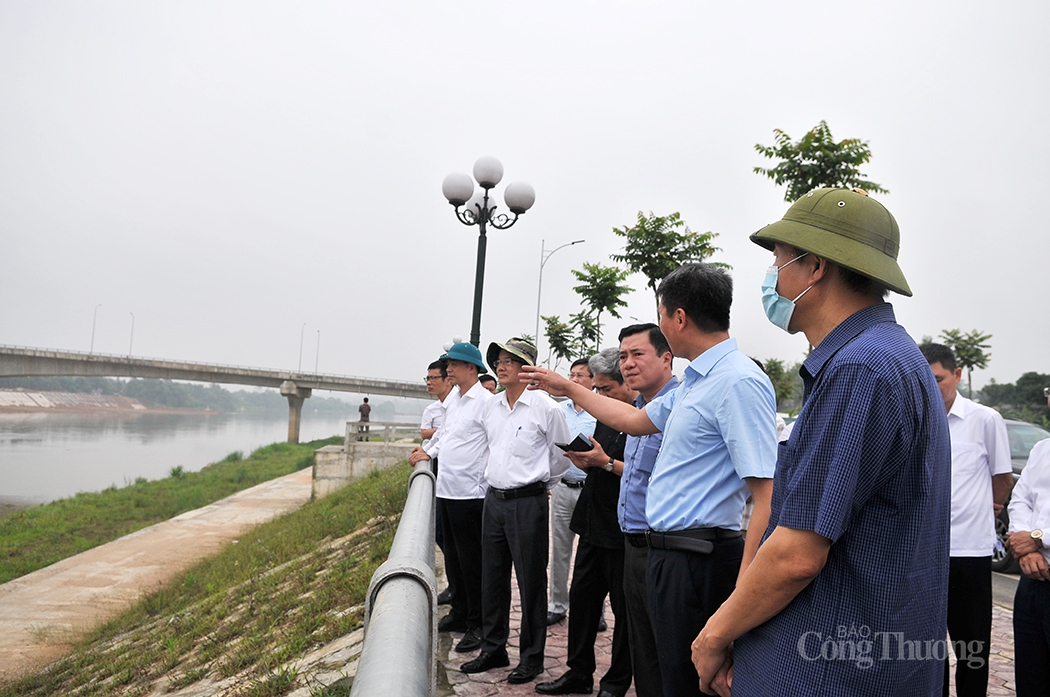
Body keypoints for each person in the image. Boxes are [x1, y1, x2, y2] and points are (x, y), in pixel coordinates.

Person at [692, 188, 951, 696]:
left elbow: (797, 555)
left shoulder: (861, 369)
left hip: (825, 667)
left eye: (778, 260)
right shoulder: (889, 358)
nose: (772, 275)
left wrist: (714, 636)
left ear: (814, 268)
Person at [522, 265, 778, 697]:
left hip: (699, 557)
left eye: (660, 316)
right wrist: (568, 388)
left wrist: (741, 597)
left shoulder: (738, 381)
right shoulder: (693, 384)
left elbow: (766, 496)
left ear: (678, 318)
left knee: (691, 681)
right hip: (666, 556)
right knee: (662, 676)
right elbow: (635, 420)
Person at [461, 338, 571, 684]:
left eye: (511, 360)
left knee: (530, 582)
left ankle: (532, 657)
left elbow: (561, 458)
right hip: (493, 501)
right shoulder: (490, 407)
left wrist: (538, 487)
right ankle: (493, 649)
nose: (501, 365)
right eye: (499, 360)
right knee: (491, 579)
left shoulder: (545, 407)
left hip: (528, 503)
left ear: (528, 369)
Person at [537, 348, 635, 697]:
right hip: (593, 519)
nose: (600, 396)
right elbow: (599, 457)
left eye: (606, 389)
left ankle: (615, 684)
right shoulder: (606, 414)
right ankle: (578, 672)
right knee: (582, 601)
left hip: (625, 528)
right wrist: (587, 460)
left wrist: (606, 462)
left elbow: (649, 475)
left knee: (624, 614)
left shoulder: (645, 417)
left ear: (627, 383)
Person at [920, 342, 1012, 697]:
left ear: (957, 375)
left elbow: (1002, 478)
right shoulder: (917, 418)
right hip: (924, 551)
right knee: (928, 648)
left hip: (969, 552)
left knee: (973, 645)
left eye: (939, 379)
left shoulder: (984, 420)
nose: (932, 388)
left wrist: (989, 508)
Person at [408, 342, 493, 654]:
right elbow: (444, 435)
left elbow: (495, 443)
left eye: (454, 364)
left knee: (473, 562)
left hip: (472, 494)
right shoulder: (454, 400)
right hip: (447, 488)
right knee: (454, 558)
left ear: (471, 368)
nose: (449, 370)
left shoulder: (486, 402)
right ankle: (459, 612)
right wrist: (426, 452)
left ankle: (478, 624)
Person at [616, 322, 676, 697]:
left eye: (638, 354)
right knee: (643, 650)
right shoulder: (634, 408)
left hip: (663, 549)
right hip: (632, 546)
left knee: (668, 651)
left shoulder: (679, 408)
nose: (627, 364)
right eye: (623, 356)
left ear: (666, 358)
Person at [1006, 387, 1050, 697]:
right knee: (1032, 676)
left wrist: (1037, 539)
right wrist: (1025, 548)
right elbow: (1019, 500)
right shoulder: (1042, 450)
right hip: (1032, 583)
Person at [548, 358, 598, 627]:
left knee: (593, 553)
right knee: (560, 550)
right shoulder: (559, 410)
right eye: (572, 375)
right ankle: (557, 604)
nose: (575, 380)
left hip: (590, 489)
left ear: (593, 380)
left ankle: (597, 611)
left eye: (581, 375)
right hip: (563, 487)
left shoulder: (601, 411)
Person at [421, 357, 456, 605]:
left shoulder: (461, 403)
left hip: (464, 488)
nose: (429, 383)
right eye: (428, 378)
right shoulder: (443, 406)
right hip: (446, 480)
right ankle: (456, 588)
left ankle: (461, 594)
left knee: (456, 541)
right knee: (443, 534)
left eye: (434, 378)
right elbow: (439, 435)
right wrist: (427, 451)